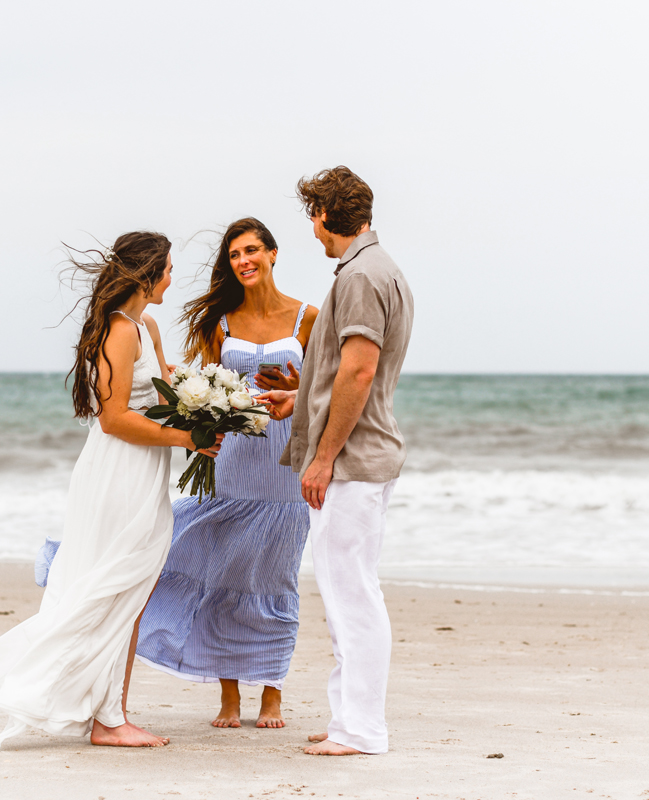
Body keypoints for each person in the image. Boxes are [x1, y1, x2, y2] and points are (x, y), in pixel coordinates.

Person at [0, 231, 222, 750]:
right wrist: (185, 436)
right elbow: (113, 419)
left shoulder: (144, 326)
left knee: (130, 587)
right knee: (117, 583)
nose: (173, 277)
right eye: (169, 268)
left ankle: (107, 712)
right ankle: (107, 719)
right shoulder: (118, 331)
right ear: (148, 272)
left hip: (145, 470)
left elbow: (166, 392)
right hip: (118, 473)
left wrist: (213, 408)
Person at [135, 217, 318, 729]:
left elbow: (326, 389)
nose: (245, 261)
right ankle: (230, 696)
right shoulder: (222, 324)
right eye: (236, 254)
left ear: (274, 253)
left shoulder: (308, 318)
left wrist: (298, 387)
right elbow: (204, 385)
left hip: (284, 467)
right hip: (233, 463)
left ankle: (273, 692)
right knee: (225, 577)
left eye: (253, 250)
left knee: (278, 577)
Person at [258, 167, 413, 756]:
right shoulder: (375, 269)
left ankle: (363, 729)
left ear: (323, 213)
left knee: (352, 595)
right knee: (347, 592)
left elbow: (360, 370)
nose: (314, 231)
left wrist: (322, 457)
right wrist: (299, 402)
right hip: (361, 455)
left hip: (352, 463)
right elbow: (346, 373)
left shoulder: (361, 276)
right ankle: (349, 718)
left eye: (313, 217)